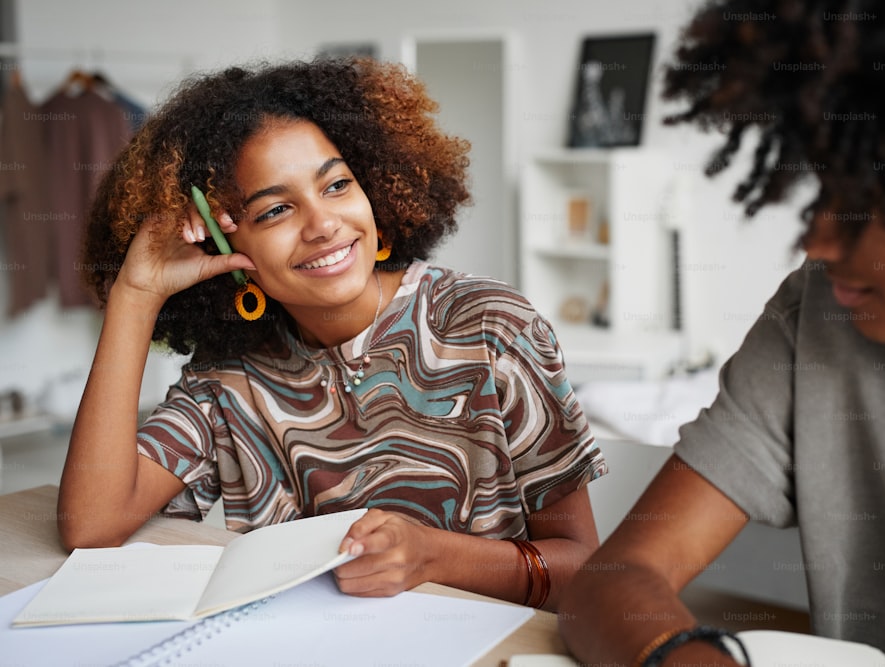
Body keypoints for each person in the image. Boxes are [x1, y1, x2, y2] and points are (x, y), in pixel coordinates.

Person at [58, 57, 607, 612]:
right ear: (228, 250)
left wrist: (434, 557)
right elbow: (91, 525)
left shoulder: (489, 327)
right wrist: (136, 294)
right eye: (275, 211)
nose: (322, 225)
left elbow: (585, 570)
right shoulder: (227, 378)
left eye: (337, 184)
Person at [559, 1, 885, 665]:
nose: (818, 238)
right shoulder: (816, 314)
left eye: (872, 197)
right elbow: (617, 578)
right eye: (822, 184)